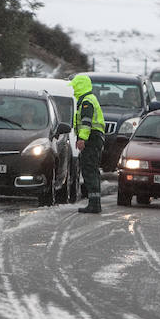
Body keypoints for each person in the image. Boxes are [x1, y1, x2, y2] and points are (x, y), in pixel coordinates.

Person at [70, 74, 105, 214]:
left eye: (74, 86)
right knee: (92, 170)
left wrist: (82, 139)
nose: (73, 90)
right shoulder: (88, 99)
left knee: (89, 170)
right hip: (94, 138)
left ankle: (94, 204)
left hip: (91, 138)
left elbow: (86, 122)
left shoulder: (86, 101)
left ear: (80, 86)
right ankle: (95, 202)